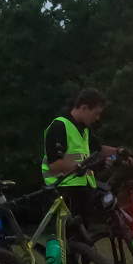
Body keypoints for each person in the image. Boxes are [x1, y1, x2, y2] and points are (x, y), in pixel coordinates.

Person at [40, 88, 124, 225]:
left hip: (81, 191)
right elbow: (55, 165)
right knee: (69, 236)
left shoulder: (84, 129)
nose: (97, 118)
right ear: (84, 108)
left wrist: (120, 152)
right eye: (96, 113)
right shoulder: (59, 126)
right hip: (63, 192)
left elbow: (99, 149)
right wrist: (89, 166)